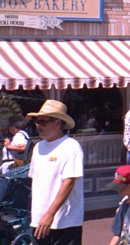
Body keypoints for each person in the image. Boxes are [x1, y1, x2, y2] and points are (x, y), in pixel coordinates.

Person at [27, 100, 84, 245]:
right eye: (37, 122)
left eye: (43, 122)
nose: (39, 126)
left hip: (65, 221)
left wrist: (50, 213)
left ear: (58, 123)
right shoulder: (37, 148)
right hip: (39, 220)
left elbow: (69, 182)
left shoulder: (71, 146)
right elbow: (35, 183)